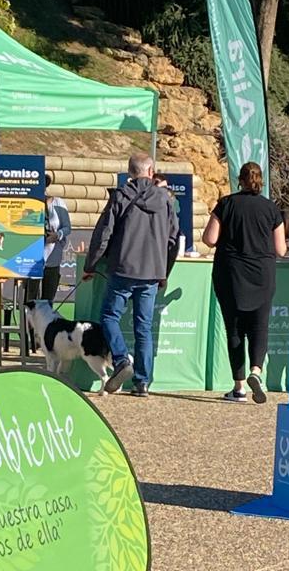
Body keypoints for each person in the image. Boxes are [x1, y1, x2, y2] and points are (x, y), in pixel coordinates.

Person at [83, 152, 179, 397]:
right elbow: (173, 238)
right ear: (150, 171)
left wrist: (91, 265)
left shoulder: (120, 196)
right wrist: (164, 271)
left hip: (123, 268)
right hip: (151, 272)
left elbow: (103, 233)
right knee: (143, 327)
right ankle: (142, 382)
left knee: (109, 316)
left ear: (129, 173)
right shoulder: (166, 199)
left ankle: (121, 359)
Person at [202, 161, 287, 404]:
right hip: (262, 273)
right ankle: (257, 371)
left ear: (239, 179)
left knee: (235, 329)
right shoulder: (271, 208)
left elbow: (210, 239)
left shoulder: (226, 204)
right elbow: (280, 249)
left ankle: (238, 387)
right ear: (261, 181)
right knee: (260, 326)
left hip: (230, 274)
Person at [27, 174, 72, 304]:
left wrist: (57, 235)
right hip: (32, 258)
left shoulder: (58, 202)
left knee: (48, 299)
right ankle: (30, 324)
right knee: (31, 299)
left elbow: (67, 227)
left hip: (53, 257)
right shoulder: (28, 204)